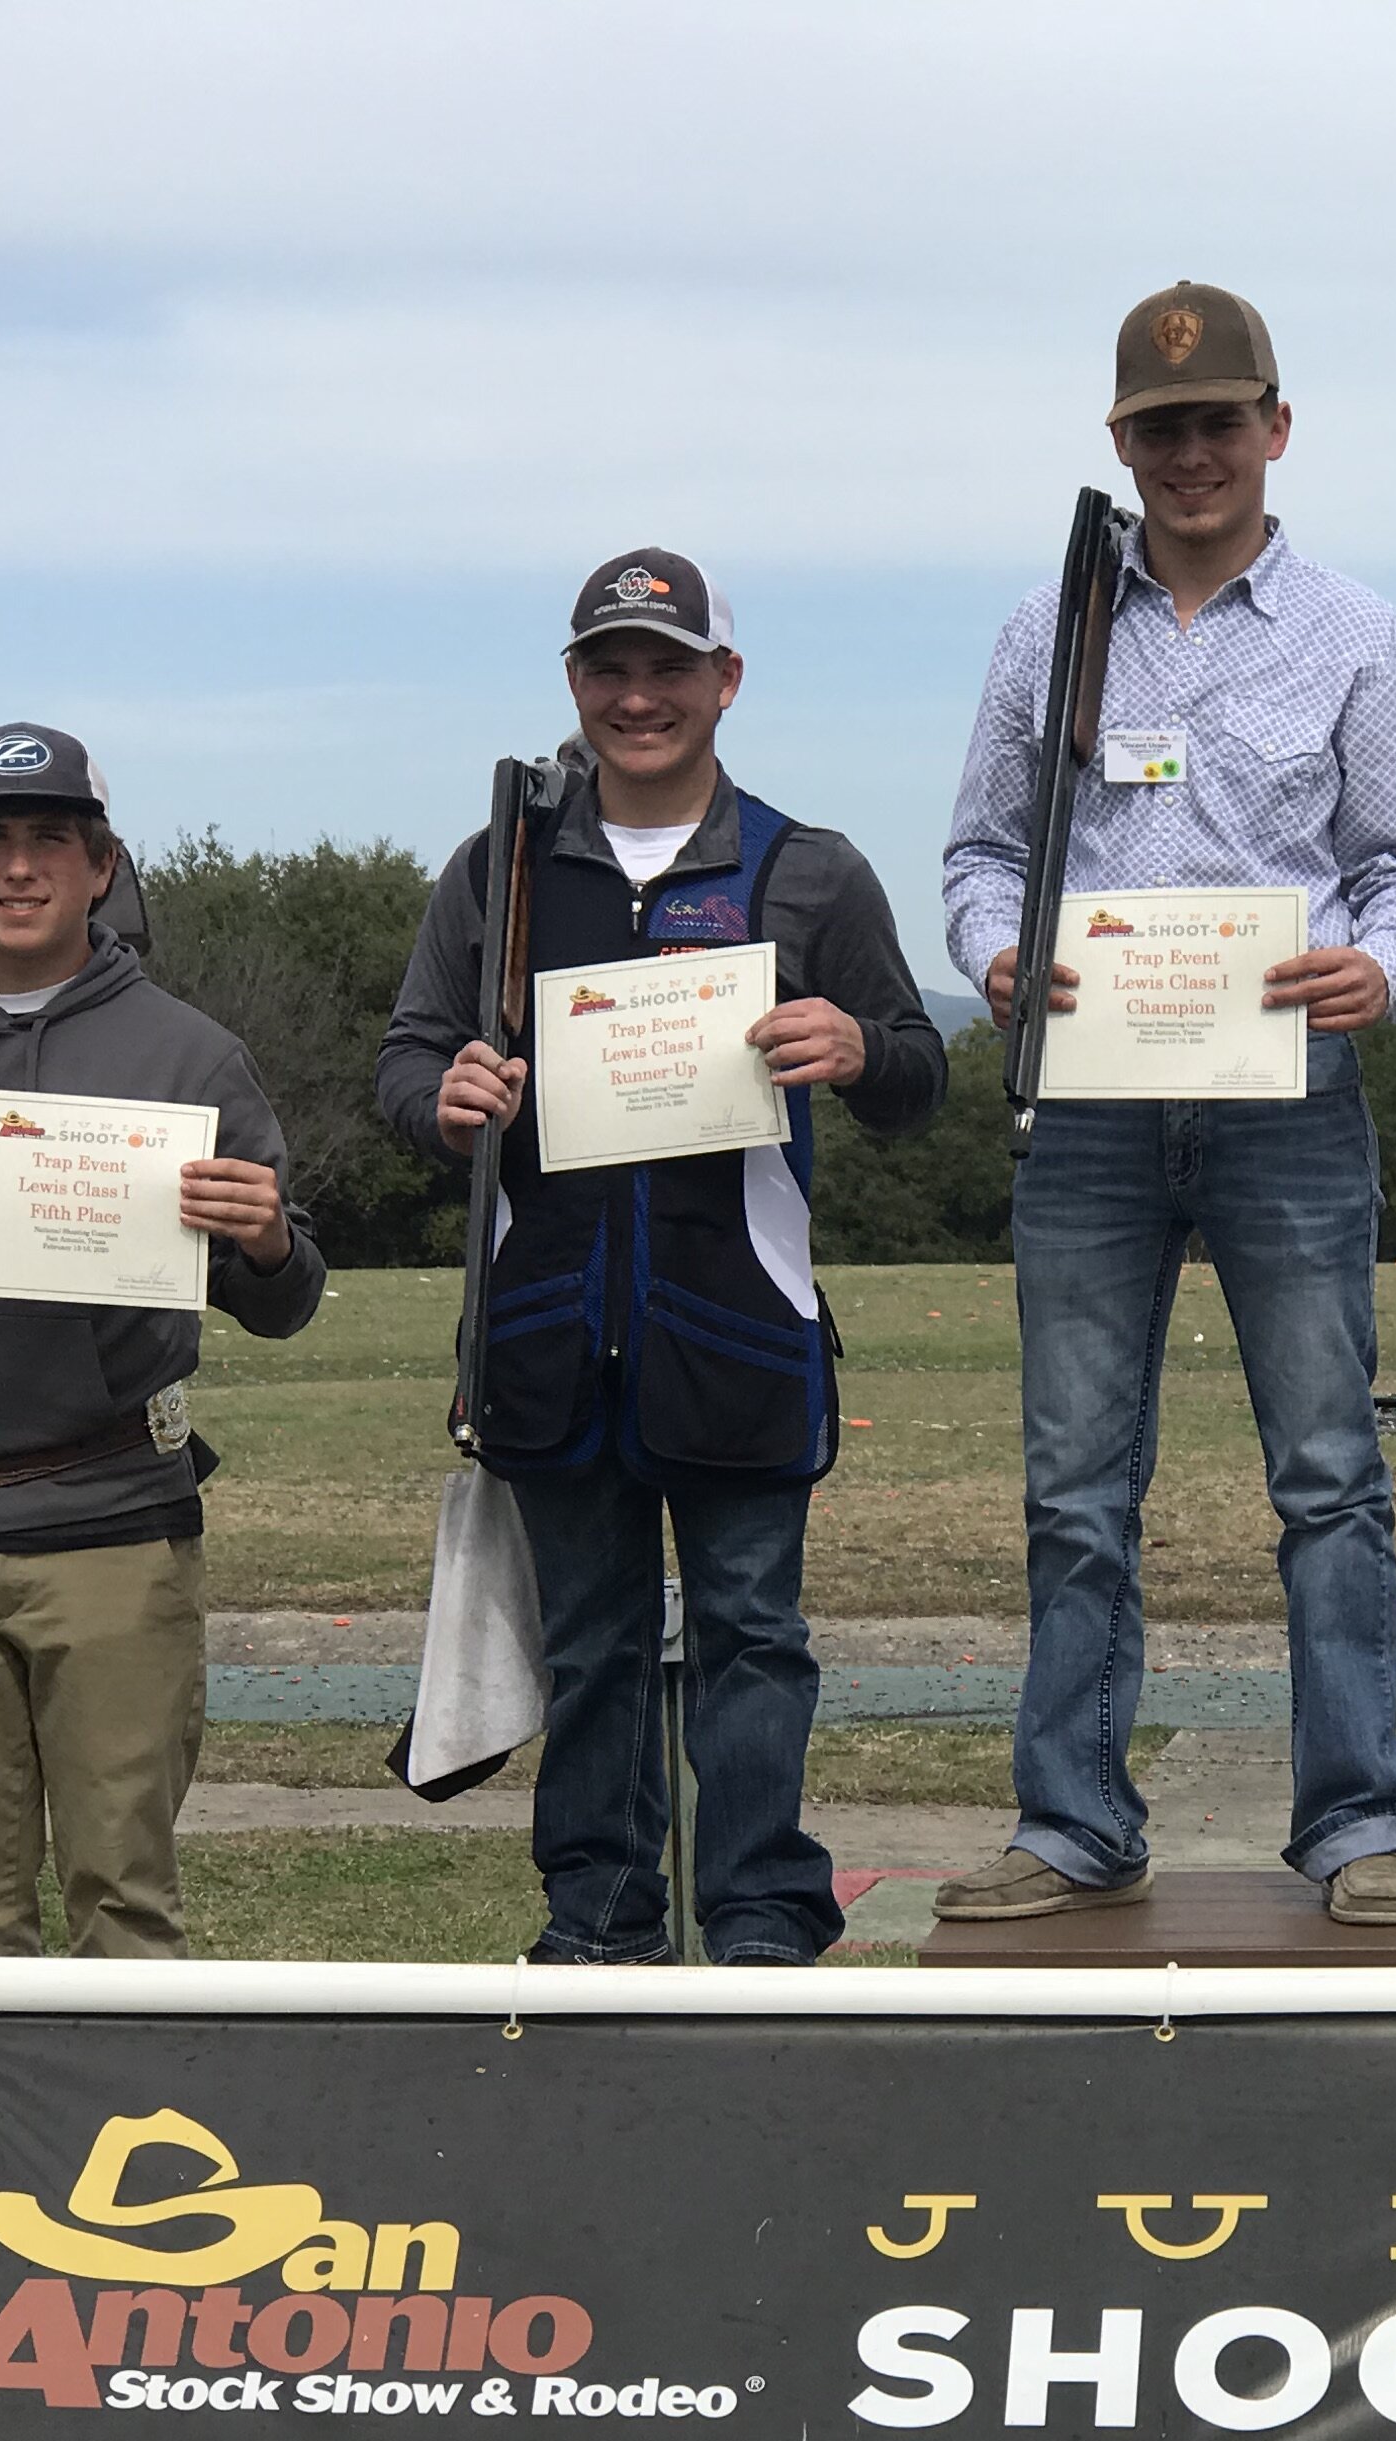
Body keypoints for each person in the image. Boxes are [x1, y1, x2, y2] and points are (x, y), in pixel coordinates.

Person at [937, 279, 1396, 1929]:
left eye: (1218, 423)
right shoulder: (1045, 628)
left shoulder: (1359, 636)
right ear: (1119, 441)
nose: (1191, 454)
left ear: (1274, 430)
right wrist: (997, 955)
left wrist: (1381, 968)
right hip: (1089, 1102)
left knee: (1325, 1470)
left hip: (1290, 1091)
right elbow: (976, 858)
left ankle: (1357, 1819)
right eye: (1159, 429)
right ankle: (1073, 1816)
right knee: (1076, 1479)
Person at [380, 550, 944, 1964]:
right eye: (610, 667)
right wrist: (441, 1100)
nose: (640, 696)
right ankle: (601, 1929)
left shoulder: (806, 868)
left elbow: (923, 1077)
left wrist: (861, 1046)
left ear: (724, 682)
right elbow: (403, 1066)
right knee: (592, 1651)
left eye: (670, 668)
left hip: (736, 1329)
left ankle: (761, 1925)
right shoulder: (496, 868)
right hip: (550, 1337)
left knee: (755, 1637)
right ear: (574, 682)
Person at [0, 725, 327, 1955]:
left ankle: (127, 2148)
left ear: (100, 864)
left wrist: (264, 1240)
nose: (17, 868)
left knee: (124, 1903)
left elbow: (285, 1298)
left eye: (47, 841)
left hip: (113, 1531)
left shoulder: (186, 1052)